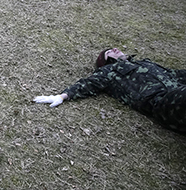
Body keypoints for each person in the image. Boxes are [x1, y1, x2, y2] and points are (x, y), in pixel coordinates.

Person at [35, 48, 186, 133]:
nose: (114, 49)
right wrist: (62, 96)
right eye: (109, 52)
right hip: (165, 101)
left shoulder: (144, 63)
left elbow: (175, 74)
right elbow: (90, 83)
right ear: (107, 61)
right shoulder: (111, 70)